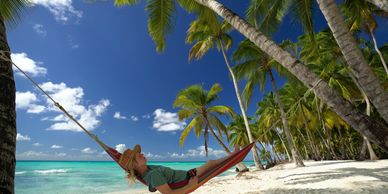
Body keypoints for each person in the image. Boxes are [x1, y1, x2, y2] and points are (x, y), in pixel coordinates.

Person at [118, 144, 237, 194]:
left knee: (212, 163)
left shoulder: (146, 169)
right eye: (139, 156)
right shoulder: (153, 175)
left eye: (141, 154)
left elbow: (135, 172)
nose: (143, 155)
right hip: (188, 177)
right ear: (134, 165)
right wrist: (189, 186)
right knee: (212, 163)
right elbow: (169, 193)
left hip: (187, 173)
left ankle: (234, 156)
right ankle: (234, 156)